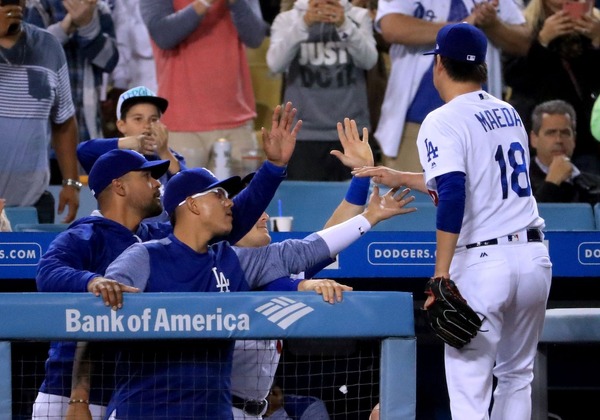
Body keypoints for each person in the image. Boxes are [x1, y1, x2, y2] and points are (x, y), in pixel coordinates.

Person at [67, 159, 412, 419]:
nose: (229, 202)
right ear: (193, 205)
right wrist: (79, 397)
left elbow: (306, 250)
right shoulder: (143, 256)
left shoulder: (233, 260)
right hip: (146, 410)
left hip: (213, 412)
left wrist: (369, 218)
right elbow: (93, 326)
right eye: (219, 194)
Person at [33, 103, 301, 419]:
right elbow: (47, 272)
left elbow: (229, 219)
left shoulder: (151, 237)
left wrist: (272, 169)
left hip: (122, 391)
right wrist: (91, 280)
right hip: (67, 396)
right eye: (147, 176)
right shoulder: (86, 234)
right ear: (119, 186)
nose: (158, 183)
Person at [355, 22, 552, 419]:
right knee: (517, 376)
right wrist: (403, 177)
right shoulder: (508, 111)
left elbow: (454, 193)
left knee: (469, 391)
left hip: (483, 265)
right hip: (533, 259)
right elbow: (479, 180)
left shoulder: (441, 119)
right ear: (480, 67)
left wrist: (440, 274)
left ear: (439, 64)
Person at [230, 117, 384, 419]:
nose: (264, 217)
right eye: (252, 212)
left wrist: (361, 176)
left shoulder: (274, 262)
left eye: (263, 209)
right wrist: (303, 287)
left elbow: (331, 236)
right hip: (218, 407)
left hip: (255, 410)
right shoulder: (226, 266)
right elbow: (270, 286)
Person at [374, 0, 530, 173]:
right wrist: (461, 28)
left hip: (481, 123)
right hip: (415, 123)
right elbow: (392, 27)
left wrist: (494, 25)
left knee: (476, 195)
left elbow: (523, 42)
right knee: (413, 196)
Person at [140, 0, 269, 175]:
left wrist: (236, 3)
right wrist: (204, 3)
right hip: (181, 125)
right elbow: (163, 35)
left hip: (235, 121)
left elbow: (255, 37)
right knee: (182, 200)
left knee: (240, 200)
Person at [266, 0, 377, 180]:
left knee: (356, 204)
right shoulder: (287, 20)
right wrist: (304, 24)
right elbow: (275, 64)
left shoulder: (358, 16)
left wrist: (345, 25)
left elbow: (369, 61)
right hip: (302, 134)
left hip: (352, 133)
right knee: (306, 203)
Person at [0, 0, 80, 224]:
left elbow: (63, 120)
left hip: (33, 204)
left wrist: (71, 182)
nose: (10, 5)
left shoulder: (48, 46)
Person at [503, 0, 600, 174]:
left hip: (585, 140)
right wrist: (542, 41)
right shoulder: (523, 26)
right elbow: (515, 78)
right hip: (537, 136)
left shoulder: (595, 25)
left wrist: (597, 41)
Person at [77, 85, 186, 221]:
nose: (147, 125)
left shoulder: (170, 157)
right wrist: (126, 143)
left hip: (157, 236)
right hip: (117, 235)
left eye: (153, 119)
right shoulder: (112, 157)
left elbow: (188, 188)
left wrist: (164, 152)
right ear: (121, 125)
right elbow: (83, 151)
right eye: (138, 119)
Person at [26, 0, 119, 143]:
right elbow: (30, 59)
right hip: (42, 129)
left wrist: (88, 27)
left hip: (86, 125)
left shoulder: (99, 9)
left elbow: (109, 61)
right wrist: (65, 27)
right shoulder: (37, 7)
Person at [529, 99, 600, 204]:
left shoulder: (595, 185)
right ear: (534, 139)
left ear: (574, 139)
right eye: (551, 133)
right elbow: (526, 218)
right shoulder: (518, 181)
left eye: (565, 133)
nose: (559, 140)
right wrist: (551, 183)